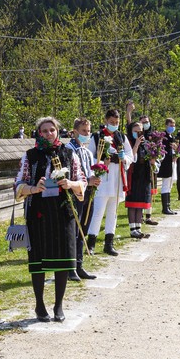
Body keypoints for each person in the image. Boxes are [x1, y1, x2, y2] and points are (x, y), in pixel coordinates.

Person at [15, 117, 85, 321]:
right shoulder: (30, 156)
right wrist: (34, 188)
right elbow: (18, 184)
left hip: (63, 212)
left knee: (63, 260)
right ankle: (39, 305)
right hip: (38, 213)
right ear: (38, 133)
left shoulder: (68, 153)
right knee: (38, 260)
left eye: (51, 130)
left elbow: (81, 180)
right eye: (44, 131)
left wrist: (69, 184)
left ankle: (59, 305)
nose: (48, 134)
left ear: (57, 131)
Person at [86, 108, 127, 256]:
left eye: (116, 122)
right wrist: (102, 162)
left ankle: (109, 244)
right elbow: (90, 156)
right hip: (102, 178)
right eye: (111, 122)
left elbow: (130, 155)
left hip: (117, 178)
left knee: (113, 212)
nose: (114, 125)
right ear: (106, 121)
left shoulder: (121, 137)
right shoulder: (97, 136)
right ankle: (91, 243)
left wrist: (124, 158)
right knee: (98, 212)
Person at [66, 117, 100, 282]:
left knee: (83, 228)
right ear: (75, 132)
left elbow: (89, 169)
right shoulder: (68, 150)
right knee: (74, 228)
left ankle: (79, 265)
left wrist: (95, 177)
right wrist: (88, 178)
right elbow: (71, 173)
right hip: (75, 192)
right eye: (83, 131)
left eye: (88, 131)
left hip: (88, 193)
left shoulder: (86, 151)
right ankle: (70, 266)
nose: (87, 134)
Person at [124, 118, 154, 238]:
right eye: (136, 131)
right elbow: (131, 157)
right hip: (134, 174)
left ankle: (138, 228)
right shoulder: (129, 142)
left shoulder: (145, 142)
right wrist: (136, 143)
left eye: (140, 131)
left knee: (141, 202)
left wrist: (153, 159)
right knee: (133, 203)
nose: (138, 133)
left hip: (144, 174)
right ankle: (132, 229)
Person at [158, 118, 180, 217]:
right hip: (166, 163)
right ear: (166, 125)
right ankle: (165, 207)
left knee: (170, 184)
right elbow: (162, 149)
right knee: (166, 184)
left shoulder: (172, 136)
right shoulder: (163, 136)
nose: (172, 127)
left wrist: (176, 151)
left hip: (172, 162)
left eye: (174, 125)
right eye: (171, 125)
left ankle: (168, 206)